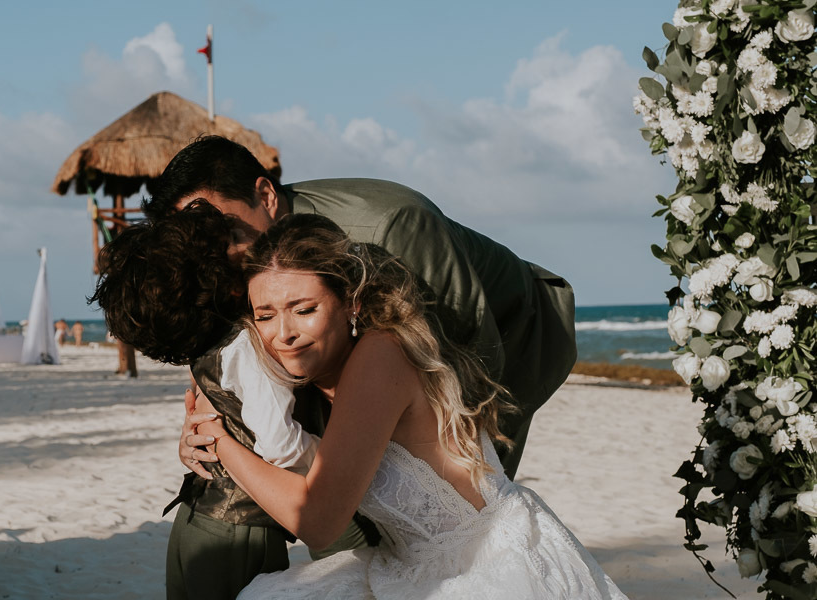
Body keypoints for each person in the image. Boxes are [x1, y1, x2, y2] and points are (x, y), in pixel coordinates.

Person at [198, 213, 625, 598]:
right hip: (408, 567)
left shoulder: (380, 356)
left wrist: (218, 442)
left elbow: (318, 522)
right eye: (265, 316)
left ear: (352, 302)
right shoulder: (322, 372)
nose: (283, 334)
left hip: (485, 566)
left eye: (304, 309)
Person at [145, 135, 576, 480]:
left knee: (460, 505)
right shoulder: (234, 250)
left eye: (227, 230)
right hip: (386, 352)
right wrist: (201, 422)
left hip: (514, 327)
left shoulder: (391, 226)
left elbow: (474, 354)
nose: (219, 253)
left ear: (266, 196)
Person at [89, 204, 370, 599]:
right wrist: (338, 457)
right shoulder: (245, 345)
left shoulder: (206, 347)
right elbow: (280, 445)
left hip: (196, 519)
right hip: (239, 530)